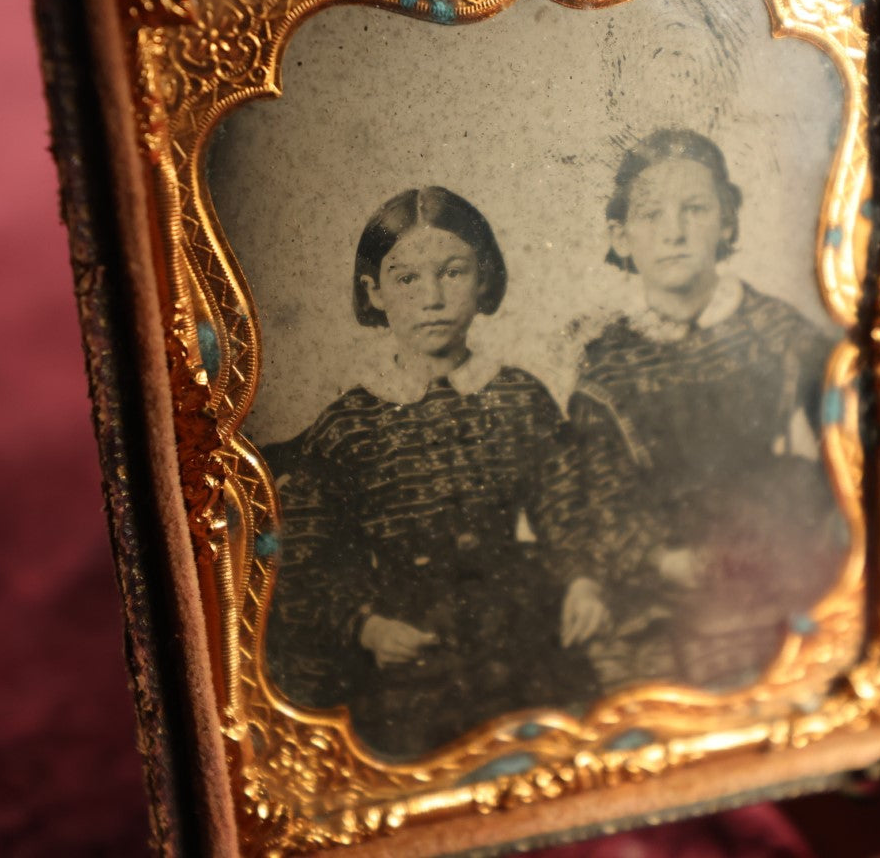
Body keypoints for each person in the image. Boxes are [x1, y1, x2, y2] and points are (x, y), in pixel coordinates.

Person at [266, 186, 595, 758]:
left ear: (484, 280)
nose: (433, 298)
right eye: (407, 279)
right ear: (375, 292)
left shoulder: (518, 397)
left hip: (516, 629)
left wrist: (582, 579)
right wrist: (365, 626)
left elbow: (565, 502)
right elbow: (306, 560)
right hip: (408, 646)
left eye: (453, 273)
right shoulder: (351, 424)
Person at [567, 129, 849, 693]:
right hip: (661, 577)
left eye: (694, 210)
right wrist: (656, 558)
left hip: (770, 556)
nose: (674, 233)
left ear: (726, 221)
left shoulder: (781, 335)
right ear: (621, 237)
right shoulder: (606, 365)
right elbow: (598, 493)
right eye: (651, 216)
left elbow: (839, 453)